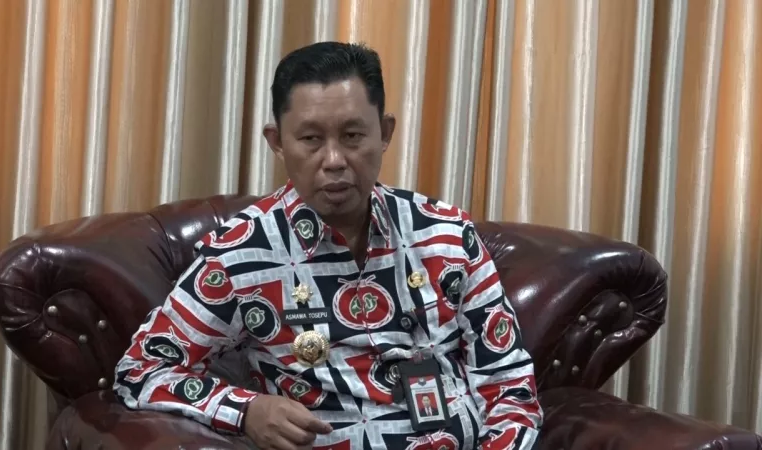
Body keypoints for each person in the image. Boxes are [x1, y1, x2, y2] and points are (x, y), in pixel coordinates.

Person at [113, 41, 542, 450]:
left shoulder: (446, 235)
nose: (334, 160)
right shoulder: (239, 255)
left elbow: (509, 384)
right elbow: (142, 370)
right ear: (277, 142)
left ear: (385, 132)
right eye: (311, 139)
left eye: (352, 136)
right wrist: (245, 411)